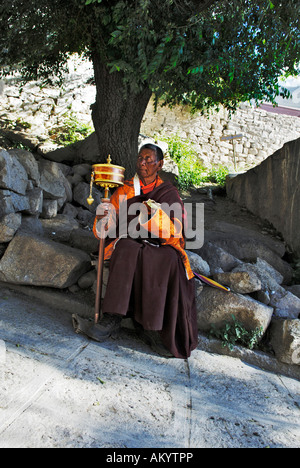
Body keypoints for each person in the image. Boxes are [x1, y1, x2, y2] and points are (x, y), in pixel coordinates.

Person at [92, 143, 198, 359]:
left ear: (160, 164)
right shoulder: (124, 189)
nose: (143, 163)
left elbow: (177, 230)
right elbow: (106, 228)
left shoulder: (168, 192)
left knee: (168, 258)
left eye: (149, 159)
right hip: (130, 238)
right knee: (126, 248)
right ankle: (112, 317)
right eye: (140, 158)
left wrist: (152, 217)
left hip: (160, 243)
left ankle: (151, 327)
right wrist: (104, 216)